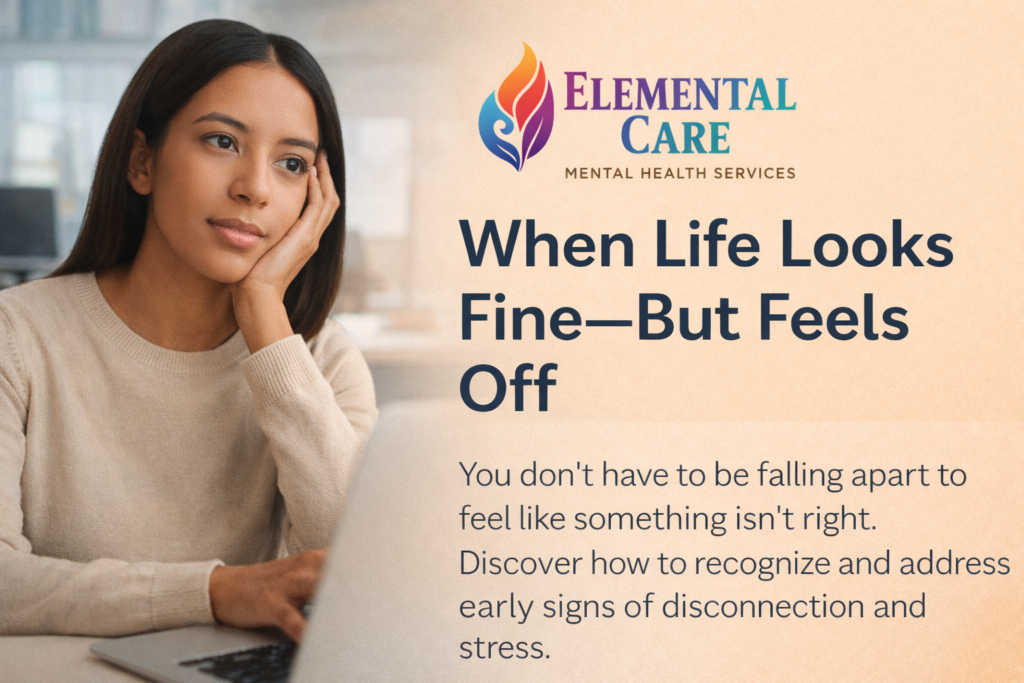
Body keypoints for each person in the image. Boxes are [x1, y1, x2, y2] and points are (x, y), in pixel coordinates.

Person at [0, 19, 376, 643]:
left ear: (316, 199)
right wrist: (215, 592)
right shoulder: (18, 337)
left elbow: (354, 574)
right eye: (222, 142)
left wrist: (263, 314)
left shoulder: (320, 361)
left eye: (290, 164)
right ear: (142, 161)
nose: (254, 188)